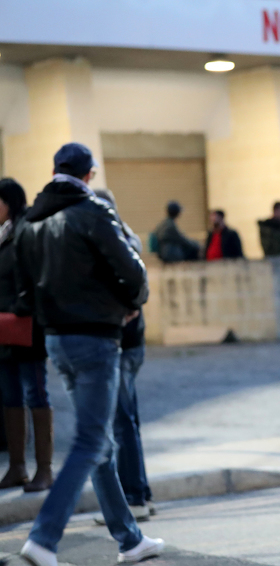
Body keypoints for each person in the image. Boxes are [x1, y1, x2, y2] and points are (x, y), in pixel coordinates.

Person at [15, 143, 163, 566]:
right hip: (96, 340)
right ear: (88, 176)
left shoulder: (30, 221)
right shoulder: (92, 212)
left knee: (99, 443)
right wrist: (130, 304)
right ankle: (43, 539)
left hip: (56, 342)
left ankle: (129, 539)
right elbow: (133, 271)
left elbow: (24, 293)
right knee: (91, 440)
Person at [93, 189, 154, 523]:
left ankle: (133, 497)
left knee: (121, 421)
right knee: (127, 419)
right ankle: (140, 492)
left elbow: (134, 289)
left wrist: (123, 311)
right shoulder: (125, 238)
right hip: (131, 343)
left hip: (122, 343)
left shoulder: (118, 242)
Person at [0, 178, 53, 493]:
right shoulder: (5, 232)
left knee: (36, 394)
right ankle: (17, 466)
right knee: (10, 397)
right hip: (5, 328)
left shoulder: (25, 230)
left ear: (9, 201)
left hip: (25, 327)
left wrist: (19, 308)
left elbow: (32, 278)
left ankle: (44, 469)